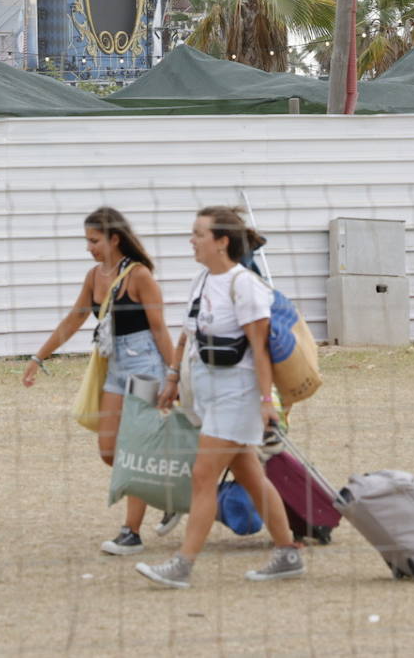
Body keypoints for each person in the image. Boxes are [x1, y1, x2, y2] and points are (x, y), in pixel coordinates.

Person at [136, 206, 306, 588]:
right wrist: (172, 377)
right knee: (249, 474)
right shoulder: (201, 280)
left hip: (238, 394)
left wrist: (266, 403)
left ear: (221, 242)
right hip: (208, 392)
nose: (191, 241)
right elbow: (186, 334)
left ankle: (182, 564)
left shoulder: (244, 285)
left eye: (198, 234)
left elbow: (260, 349)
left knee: (202, 475)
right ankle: (288, 554)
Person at [22, 207, 181, 555]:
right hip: (114, 367)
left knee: (134, 450)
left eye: (94, 241)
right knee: (110, 450)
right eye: (87, 241)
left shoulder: (140, 276)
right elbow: (74, 319)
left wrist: (174, 375)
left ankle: (131, 532)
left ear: (114, 239)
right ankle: (168, 493)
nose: (89, 248)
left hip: (146, 368)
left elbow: (160, 330)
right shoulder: (95, 276)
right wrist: (38, 357)